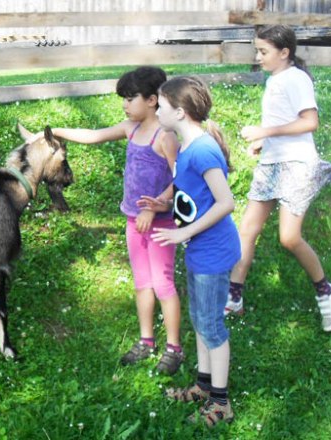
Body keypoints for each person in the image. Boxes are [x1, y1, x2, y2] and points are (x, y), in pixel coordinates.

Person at [52, 66, 185, 374]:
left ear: (153, 100)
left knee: (163, 284)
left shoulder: (165, 136)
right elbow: (93, 136)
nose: (125, 104)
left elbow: (182, 178)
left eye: (130, 98)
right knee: (142, 283)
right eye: (123, 99)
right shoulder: (132, 128)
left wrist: (156, 207)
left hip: (160, 224)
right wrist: (57, 131)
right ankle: (146, 340)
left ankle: (174, 347)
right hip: (132, 221)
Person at [224, 25, 331, 333]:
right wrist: (264, 142)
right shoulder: (275, 80)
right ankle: (233, 296)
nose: (258, 57)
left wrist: (266, 132)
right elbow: (282, 120)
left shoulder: (296, 78)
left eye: (263, 51)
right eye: (257, 51)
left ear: (284, 52)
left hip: (296, 166)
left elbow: (310, 121)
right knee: (247, 229)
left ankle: (326, 291)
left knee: (289, 237)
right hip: (272, 163)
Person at [147, 75, 240, 427]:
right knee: (201, 320)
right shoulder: (187, 146)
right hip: (200, 250)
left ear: (180, 112)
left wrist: (182, 231)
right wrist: (162, 203)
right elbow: (190, 192)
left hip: (212, 252)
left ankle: (221, 404)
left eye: (162, 103)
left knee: (211, 326)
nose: (157, 107)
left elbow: (226, 202)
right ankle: (203, 386)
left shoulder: (202, 149)